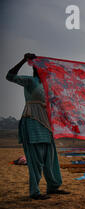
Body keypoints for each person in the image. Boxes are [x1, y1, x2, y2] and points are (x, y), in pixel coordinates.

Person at [6, 53, 70, 200]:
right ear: (37, 69)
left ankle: (53, 187)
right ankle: (34, 192)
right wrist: (23, 60)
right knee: (35, 158)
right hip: (33, 120)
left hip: (46, 123)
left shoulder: (48, 87)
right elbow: (9, 76)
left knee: (50, 157)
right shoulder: (30, 81)